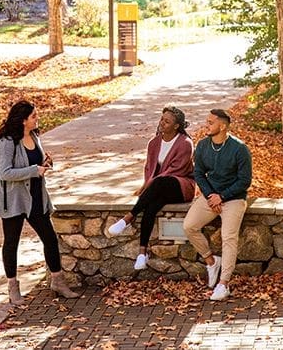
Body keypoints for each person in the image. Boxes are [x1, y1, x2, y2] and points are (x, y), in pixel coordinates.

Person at [0, 100, 79, 304]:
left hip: (36, 196)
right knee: (12, 242)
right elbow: (5, 173)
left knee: (50, 238)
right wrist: (34, 170)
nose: (38, 118)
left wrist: (45, 163)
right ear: (22, 121)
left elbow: (35, 161)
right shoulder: (7, 141)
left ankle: (57, 281)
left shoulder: (35, 136)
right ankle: (12, 286)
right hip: (13, 199)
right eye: (34, 116)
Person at [107, 106, 196, 270]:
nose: (162, 123)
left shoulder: (185, 143)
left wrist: (149, 184)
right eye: (162, 119)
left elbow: (176, 170)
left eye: (167, 121)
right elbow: (149, 169)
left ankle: (128, 217)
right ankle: (142, 253)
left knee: (160, 182)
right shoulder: (154, 143)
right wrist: (146, 185)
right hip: (158, 187)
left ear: (177, 126)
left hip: (181, 186)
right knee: (151, 206)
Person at [183, 109, 252, 301]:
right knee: (189, 226)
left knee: (228, 237)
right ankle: (211, 261)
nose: (207, 125)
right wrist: (210, 195)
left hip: (234, 198)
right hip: (210, 196)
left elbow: (244, 181)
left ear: (222, 126)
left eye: (210, 122)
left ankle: (224, 284)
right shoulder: (203, 146)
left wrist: (222, 196)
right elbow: (198, 173)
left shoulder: (239, 149)